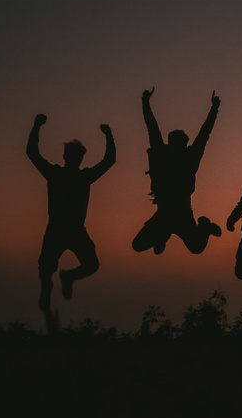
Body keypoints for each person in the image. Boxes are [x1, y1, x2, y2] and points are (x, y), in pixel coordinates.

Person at [27, 114, 115, 313]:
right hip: (59, 230)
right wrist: (36, 126)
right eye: (73, 156)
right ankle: (49, 287)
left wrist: (37, 126)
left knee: (90, 265)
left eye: (78, 156)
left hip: (71, 230)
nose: (75, 159)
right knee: (46, 270)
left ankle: (66, 278)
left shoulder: (77, 176)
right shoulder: (66, 175)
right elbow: (32, 153)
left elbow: (109, 161)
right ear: (67, 157)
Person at [132, 88, 222, 254]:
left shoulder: (190, 158)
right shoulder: (163, 153)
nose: (177, 146)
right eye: (175, 143)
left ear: (184, 144)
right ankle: (161, 237)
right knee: (137, 245)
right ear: (170, 143)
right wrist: (145, 102)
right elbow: (151, 126)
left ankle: (205, 227)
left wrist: (214, 109)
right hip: (164, 214)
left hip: (183, 214)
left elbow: (204, 133)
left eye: (180, 143)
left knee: (196, 248)